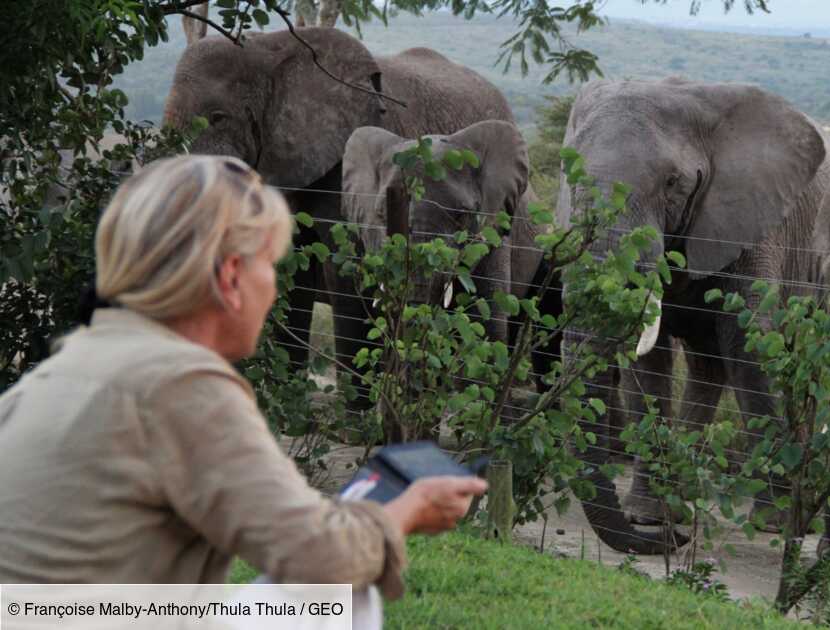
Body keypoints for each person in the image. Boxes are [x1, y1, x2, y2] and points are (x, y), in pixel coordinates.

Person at [0, 155, 486, 594]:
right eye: (271, 266)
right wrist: (403, 513)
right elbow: (323, 559)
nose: (274, 287)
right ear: (232, 277)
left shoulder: (54, 373)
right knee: (338, 599)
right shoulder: (181, 384)